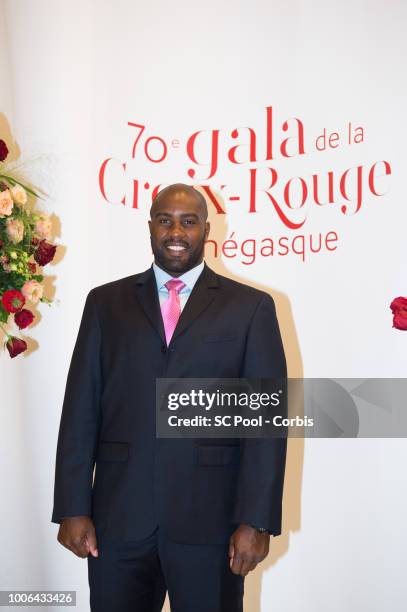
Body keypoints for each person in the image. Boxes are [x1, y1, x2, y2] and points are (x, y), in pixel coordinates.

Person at [52, 183, 287, 612]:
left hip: (212, 526)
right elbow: (80, 409)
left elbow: (266, 423)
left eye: (188, 221)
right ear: (150, 228)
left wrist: (256, 520)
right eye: (165, 220)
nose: (175, 231)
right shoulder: (105, 304)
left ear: (207, 230)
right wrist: (72, 505)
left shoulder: (251, 308)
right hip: (118, 521)